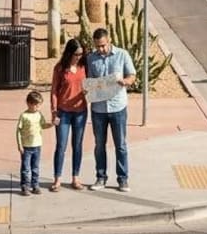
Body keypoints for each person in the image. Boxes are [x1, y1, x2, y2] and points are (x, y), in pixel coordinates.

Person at [83, 27, 136, 192]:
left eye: (104, 45)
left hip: (117, 107)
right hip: (98, 109)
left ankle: (123, 178)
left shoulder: (122, 55)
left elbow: (132, 76)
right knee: (99, 145)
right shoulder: (91, 59)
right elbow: (89, 81)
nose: (101, 49)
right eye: (98, 46)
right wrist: (88, 88)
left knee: (120, 144)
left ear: (109, 41)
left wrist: (125, 82)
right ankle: (100, 177)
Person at [49, 38, 89, 191]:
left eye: (81, 54)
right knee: (61, 145)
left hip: (80, 111)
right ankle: (57, 179)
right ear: (69, 53)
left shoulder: (83, 67)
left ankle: (75, 177)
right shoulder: (60, 68)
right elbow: (54, 91)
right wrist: (53, 110)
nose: (79, 57)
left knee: (77, 145)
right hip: (63, 111)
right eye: (76, 54)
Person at [16, 90, 52, 196]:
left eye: (39, 105)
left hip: (37, 145)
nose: (37, 107)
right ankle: (25, 186)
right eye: (36, 105)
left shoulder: (39, 114)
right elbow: (18, 131)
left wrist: (51, 124)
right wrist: (20, 145)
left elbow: (43, 125)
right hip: (26, 147)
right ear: (29, 103)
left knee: (35, 167)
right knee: (26, 168)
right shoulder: (24, 116)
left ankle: (35, 185)